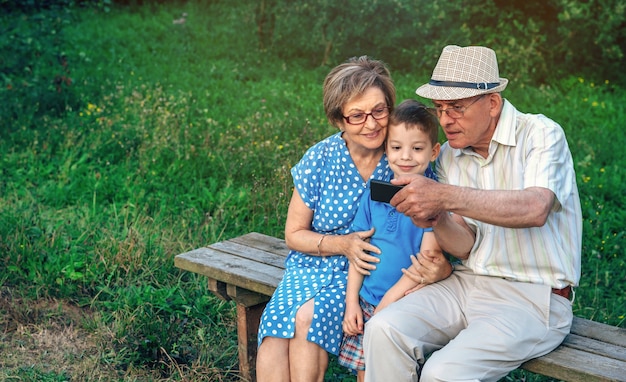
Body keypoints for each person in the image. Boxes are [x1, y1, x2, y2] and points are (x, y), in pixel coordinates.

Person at [363, 45, 582, 382]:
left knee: (441, 373)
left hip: (535, 297)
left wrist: (444, 195)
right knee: (383, 329)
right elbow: (464, 246)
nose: (445, 119)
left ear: (492, 103)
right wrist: (436, 218)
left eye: (456, 108)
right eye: (439, 108)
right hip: (466, 283)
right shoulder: (451, 155)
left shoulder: (540, 134)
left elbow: (535, 208)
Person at [255, 56, 453, 382]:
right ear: (338, 120)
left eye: (379, 111)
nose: (372, 123)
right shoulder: (319, 159)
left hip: (366, 276)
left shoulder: (404, 155)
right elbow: (294, 233)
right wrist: (342, 244)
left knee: (308, 317)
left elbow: (434, 225)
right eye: (357, 116)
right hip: (314, 263)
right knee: (276, 332)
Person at [339, 99, 459, 382]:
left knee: (396, 370)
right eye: (396, 148)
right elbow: (359, 250)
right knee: (366, 373)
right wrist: (351, 302)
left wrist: (389, 302)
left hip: (405, 301)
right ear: (386, 149)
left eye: (417, 148)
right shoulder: (374, 192)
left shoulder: (433, 200)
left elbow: (426, 261)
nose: (406, 157)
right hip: (368, 300)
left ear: (433, 152)